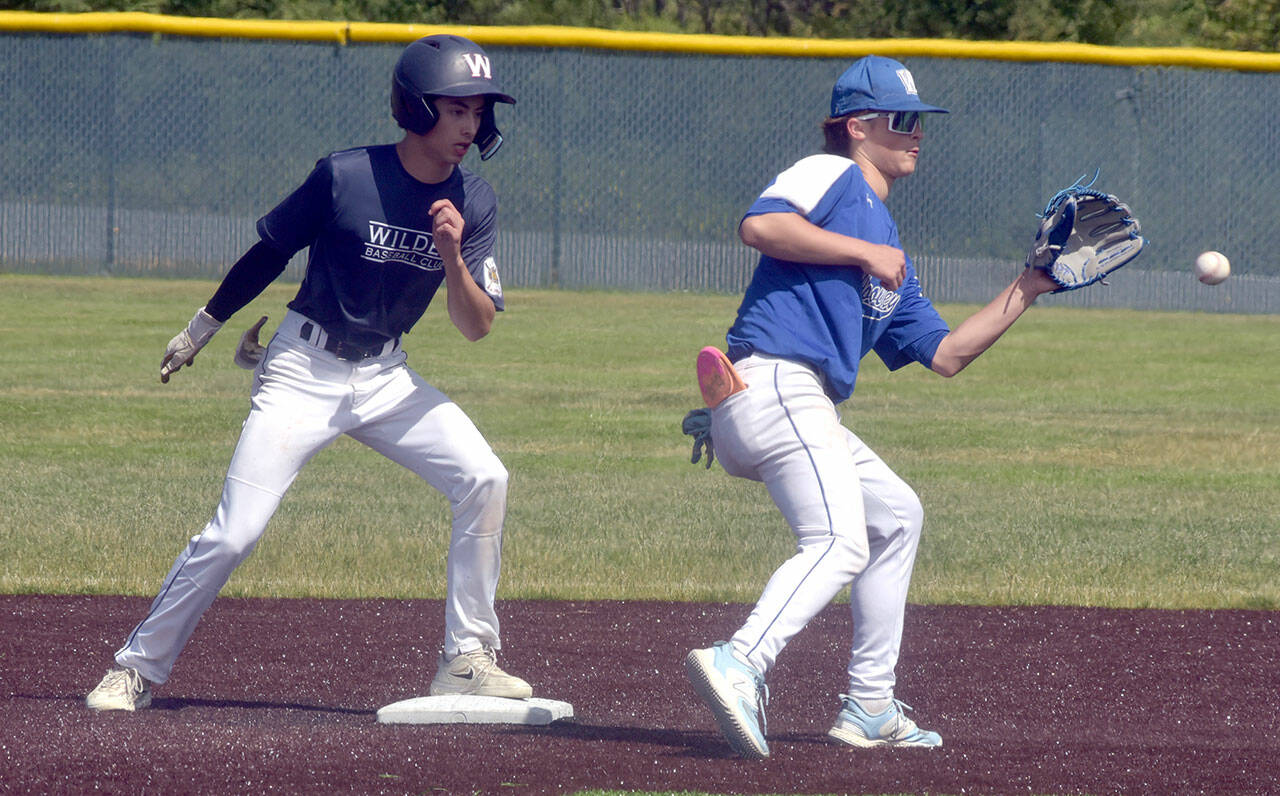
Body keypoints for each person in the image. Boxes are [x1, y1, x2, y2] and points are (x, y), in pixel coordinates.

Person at [86, 34, 532, 711]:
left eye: (478, 113)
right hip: (302, 369)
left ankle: (466, 659)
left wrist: (452, 254)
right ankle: (137, 669)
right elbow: (271, 250)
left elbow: (477, 325)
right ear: (415, 109)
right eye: (456, 110)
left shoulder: (476, 198)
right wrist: (201, 327)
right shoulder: (346, 175)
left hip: (386, 378)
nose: (470, 127)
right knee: (235, 531)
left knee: (485, 476)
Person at [682, 55, 1060, 758]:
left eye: (920, 123)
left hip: (793, 404)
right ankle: (740, 660)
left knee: (895, 516)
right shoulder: (832, 175)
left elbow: (946, 355)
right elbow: (760, 226)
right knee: (837, 540)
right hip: (779, 386)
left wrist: (1028, 286)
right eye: (902, 121)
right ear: (859, 126)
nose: (917, 135)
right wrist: (862, 253)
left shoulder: (889, 250)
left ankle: (870, 704)